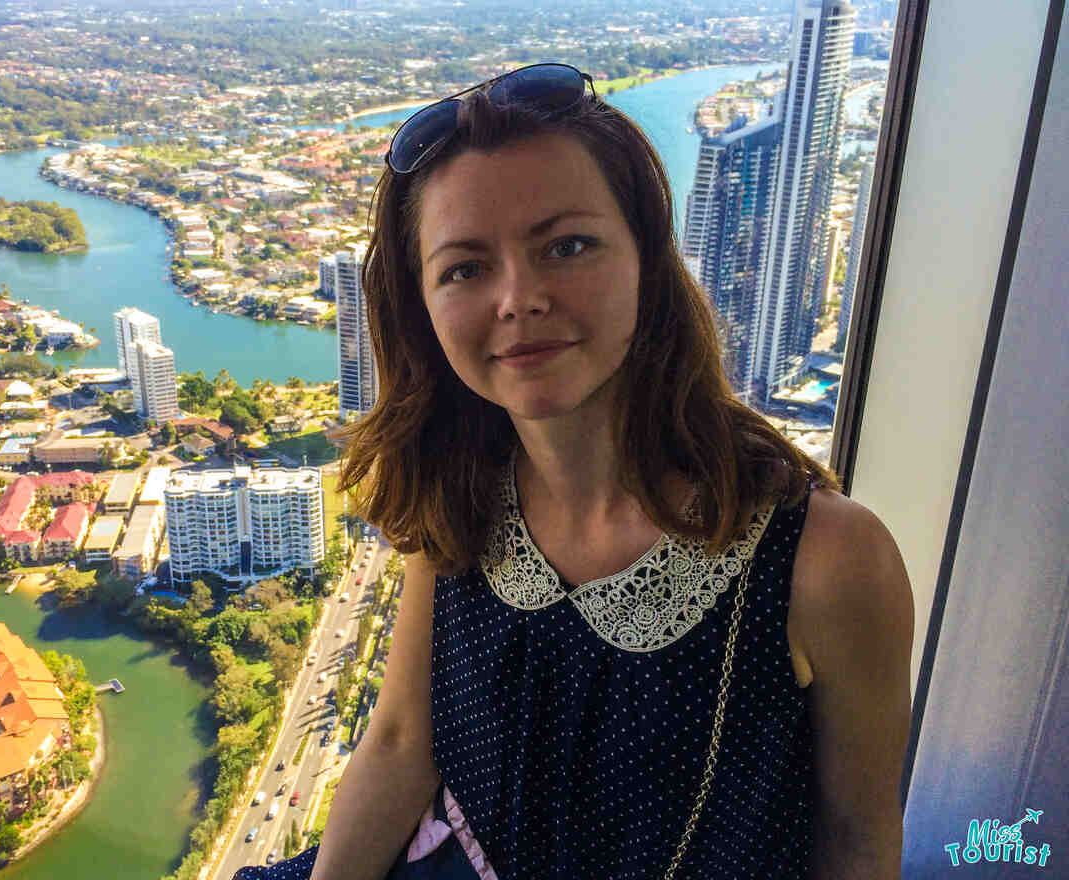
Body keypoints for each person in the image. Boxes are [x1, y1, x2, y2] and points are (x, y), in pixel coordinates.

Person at [235, 63, 914, 880]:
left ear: (648, 263)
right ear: (422, 307)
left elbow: (857, 840)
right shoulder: (460, 492)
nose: (519, 298)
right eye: (465, 268)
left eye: (568, 246)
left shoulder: (825, 558)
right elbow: (401, 741)